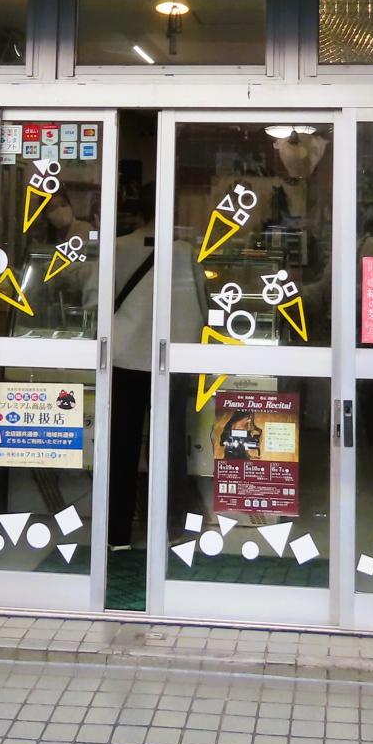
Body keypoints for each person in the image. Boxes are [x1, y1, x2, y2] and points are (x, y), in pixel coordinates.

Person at [108, 181, 206, 549]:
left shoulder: (119, 247)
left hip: (125, 357)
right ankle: (173, 527)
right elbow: (204, 303)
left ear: (138, 211)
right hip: (173, 359)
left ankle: (116, 533)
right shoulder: (185, 251)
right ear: (172, 211)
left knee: (122, 444)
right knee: (170, 444)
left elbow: (93, 300)